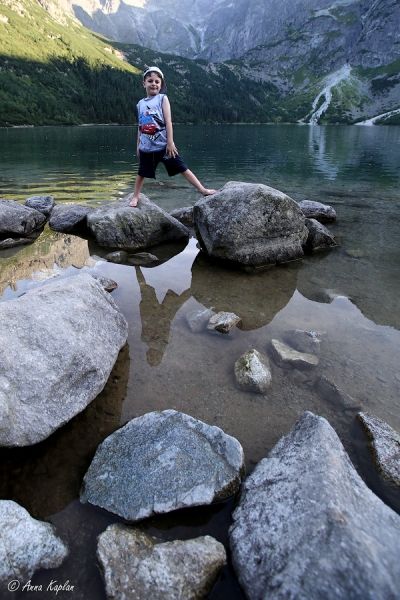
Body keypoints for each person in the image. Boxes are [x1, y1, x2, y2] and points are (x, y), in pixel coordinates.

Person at [130, 66, 216, 207]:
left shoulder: (162, 99)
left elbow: (168, 122)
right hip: (146, 148)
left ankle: (202, 190)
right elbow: (140, 126)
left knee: (182, 168)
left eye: (157, 82)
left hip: (164, 147)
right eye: (150, 81)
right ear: (144, 84)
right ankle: (135, 197)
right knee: (141, 173)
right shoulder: (140, 104)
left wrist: (170, 142)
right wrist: (138, 145)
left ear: (161, 84)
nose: (154, 84)